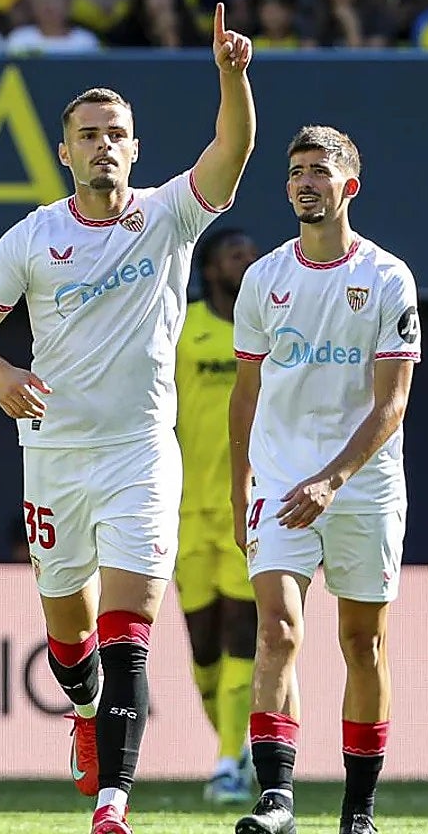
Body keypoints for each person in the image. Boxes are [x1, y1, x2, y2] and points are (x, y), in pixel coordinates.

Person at [0, 5, 255, 833]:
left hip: (141, 455)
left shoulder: (166, 215)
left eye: (116, 132)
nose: (104, 145)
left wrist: (232, 75)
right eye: (88, 134)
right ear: (64, 151)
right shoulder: (32, 238)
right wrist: (6, 371)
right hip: (53, 456)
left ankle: (113, 806)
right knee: (71, 645)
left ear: (136, 146)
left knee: (130, 631)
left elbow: (229, 157)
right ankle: (82, 712)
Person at [230, 126, 419, 834]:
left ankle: (358, 811)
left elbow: (392, 403)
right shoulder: (263, 278)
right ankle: (276, 800)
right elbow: (245, 392)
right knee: (278, 629)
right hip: (279, 478)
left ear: (350, 186)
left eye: (320, 171)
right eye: (296, 172)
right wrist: (239, 479)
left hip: (362, 483)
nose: (306, 181)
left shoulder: (388, 278)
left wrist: (335, 480)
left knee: (362, 643)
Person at [175, 227, 261, 804]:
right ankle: (236, 746)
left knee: (243, 633)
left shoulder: (271, 333)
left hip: (247, 506)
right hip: (183, 510)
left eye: (253, 256)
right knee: (204, 649)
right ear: (210, 270)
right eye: (237, 256)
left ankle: (229, 760)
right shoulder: (183, 330)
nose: (248, 263)